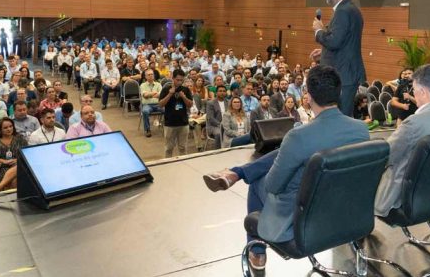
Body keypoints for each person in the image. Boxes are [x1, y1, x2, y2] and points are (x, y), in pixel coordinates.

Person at [202, 65, 369, 270]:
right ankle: (237, 172)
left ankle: (257, 251)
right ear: (340, 92)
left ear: (308, 96)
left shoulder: (299, 137)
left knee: (257, 182)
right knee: (284, 153)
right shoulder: (361, 131)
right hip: (345, 212)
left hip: (305, 217)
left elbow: (273, 185)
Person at [374, 65, 430, 216]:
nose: (413, 93)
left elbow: (385, 157)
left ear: (422, 92)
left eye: (414, 90)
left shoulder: (413, 124)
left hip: (403, 196)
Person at [311, 0, 366, 116]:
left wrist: (318, 31)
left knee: (341, 118)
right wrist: (323, 52)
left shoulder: (343, 11)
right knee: (343, 118)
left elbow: (335, 41)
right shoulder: (350, 9)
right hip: (346, 74)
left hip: (343, 75)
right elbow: (343, 43)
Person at [0, 118, 28, 193]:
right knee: (15, 179)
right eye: (5, 128)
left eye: (11, 126)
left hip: (18, 165)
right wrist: (4, 161)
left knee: (17, 175)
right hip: (0, 168)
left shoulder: (20, 138)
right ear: (0, 129)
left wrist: (17, 159)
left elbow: (27, 153)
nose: (9, 129)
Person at [157, 69, 193, 157]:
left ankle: (183, 167)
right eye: (178, 80)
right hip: (170, 123)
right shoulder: (166, 89)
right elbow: (160, 104)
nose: (180, 82)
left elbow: (190, 105)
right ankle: (168, 166)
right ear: (173, 78)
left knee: (183, 148)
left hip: (183, 123)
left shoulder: (186, 90)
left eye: (181, 80)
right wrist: (169, 94)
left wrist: (184, 97)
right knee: (169, 148)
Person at [140, 69, 163, 137]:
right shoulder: (142, 85)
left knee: (168, 109)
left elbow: (161, 95)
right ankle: (147, 130)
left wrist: (149, 94)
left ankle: (168, 127)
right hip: (147, 105)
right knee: (145, 111)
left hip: (158, 104)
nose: (150, 76)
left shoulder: (158, 84)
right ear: (145, 77)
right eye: (148, 75)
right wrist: (155, 93)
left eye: (152, 74)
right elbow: (145, 95)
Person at [205, 85, 228, 149]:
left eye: (224, 91)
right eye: (220, 91)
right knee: (219, 134)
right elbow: (211, 118)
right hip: (214, 126)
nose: (222, 92)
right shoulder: (211, 103)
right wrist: (221, 125)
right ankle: (218, 152)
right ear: (216, 93)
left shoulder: (228, 102)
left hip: (227, 124)